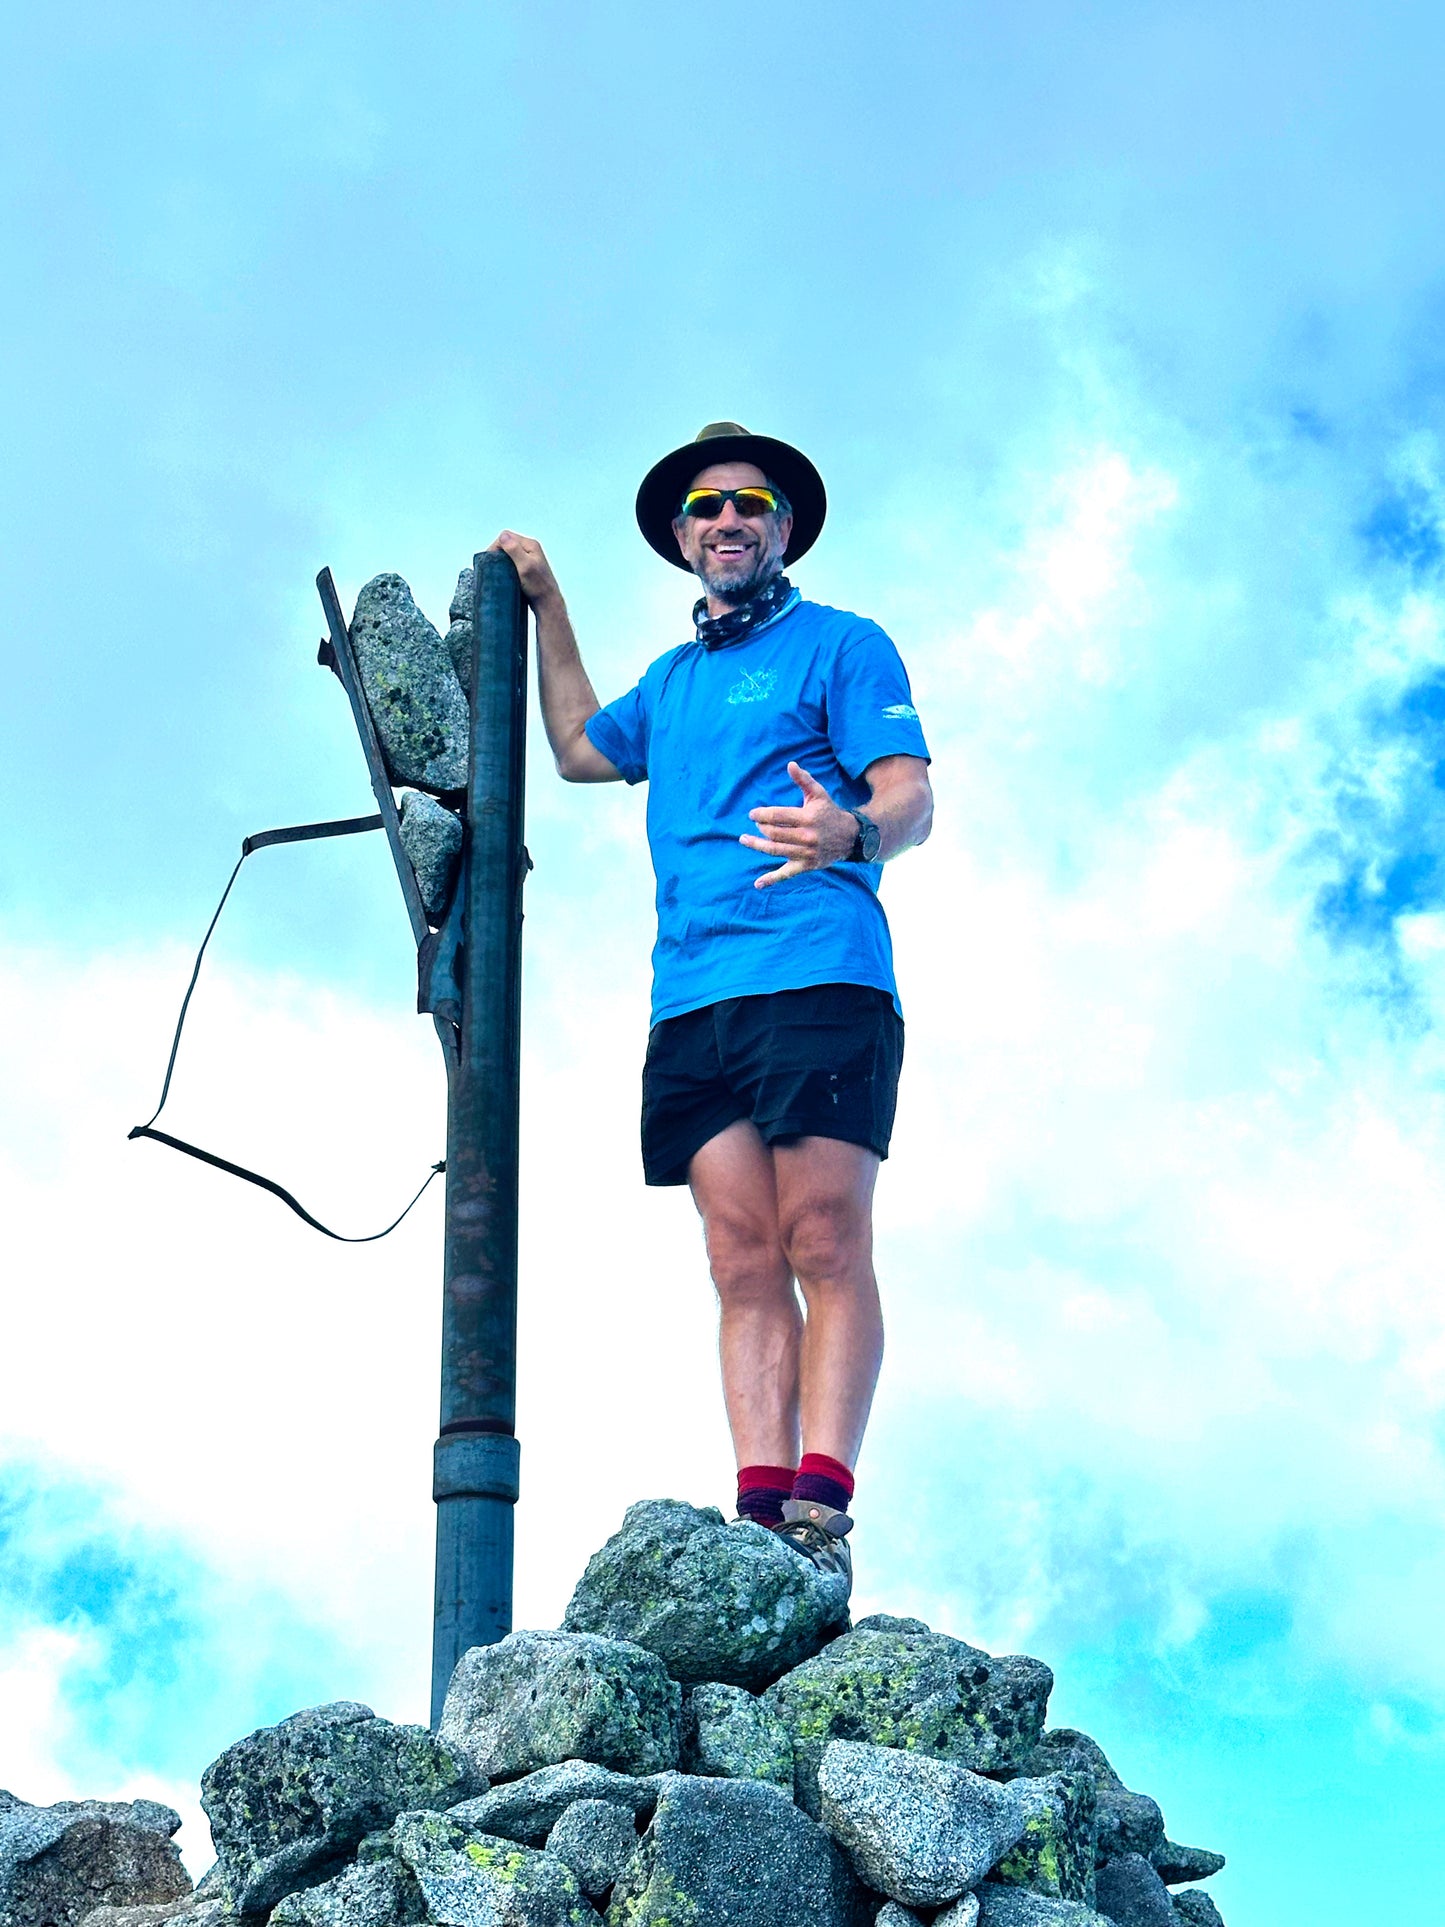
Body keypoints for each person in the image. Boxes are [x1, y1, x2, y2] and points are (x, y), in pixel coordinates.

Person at [492, 423, 932, 1595]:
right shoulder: (672, 685)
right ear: (682, 537)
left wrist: (853, 833)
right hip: (690, 996)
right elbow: (583, 749)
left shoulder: (841, 645)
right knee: (740, 1256)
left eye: (749, 502)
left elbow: (909, 792)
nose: (725, 519)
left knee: (821, 1236)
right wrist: (545, 603)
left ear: (782, 526)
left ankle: (819, 1506)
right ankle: (757, 1512)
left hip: (817, 967)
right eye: (703, 506)